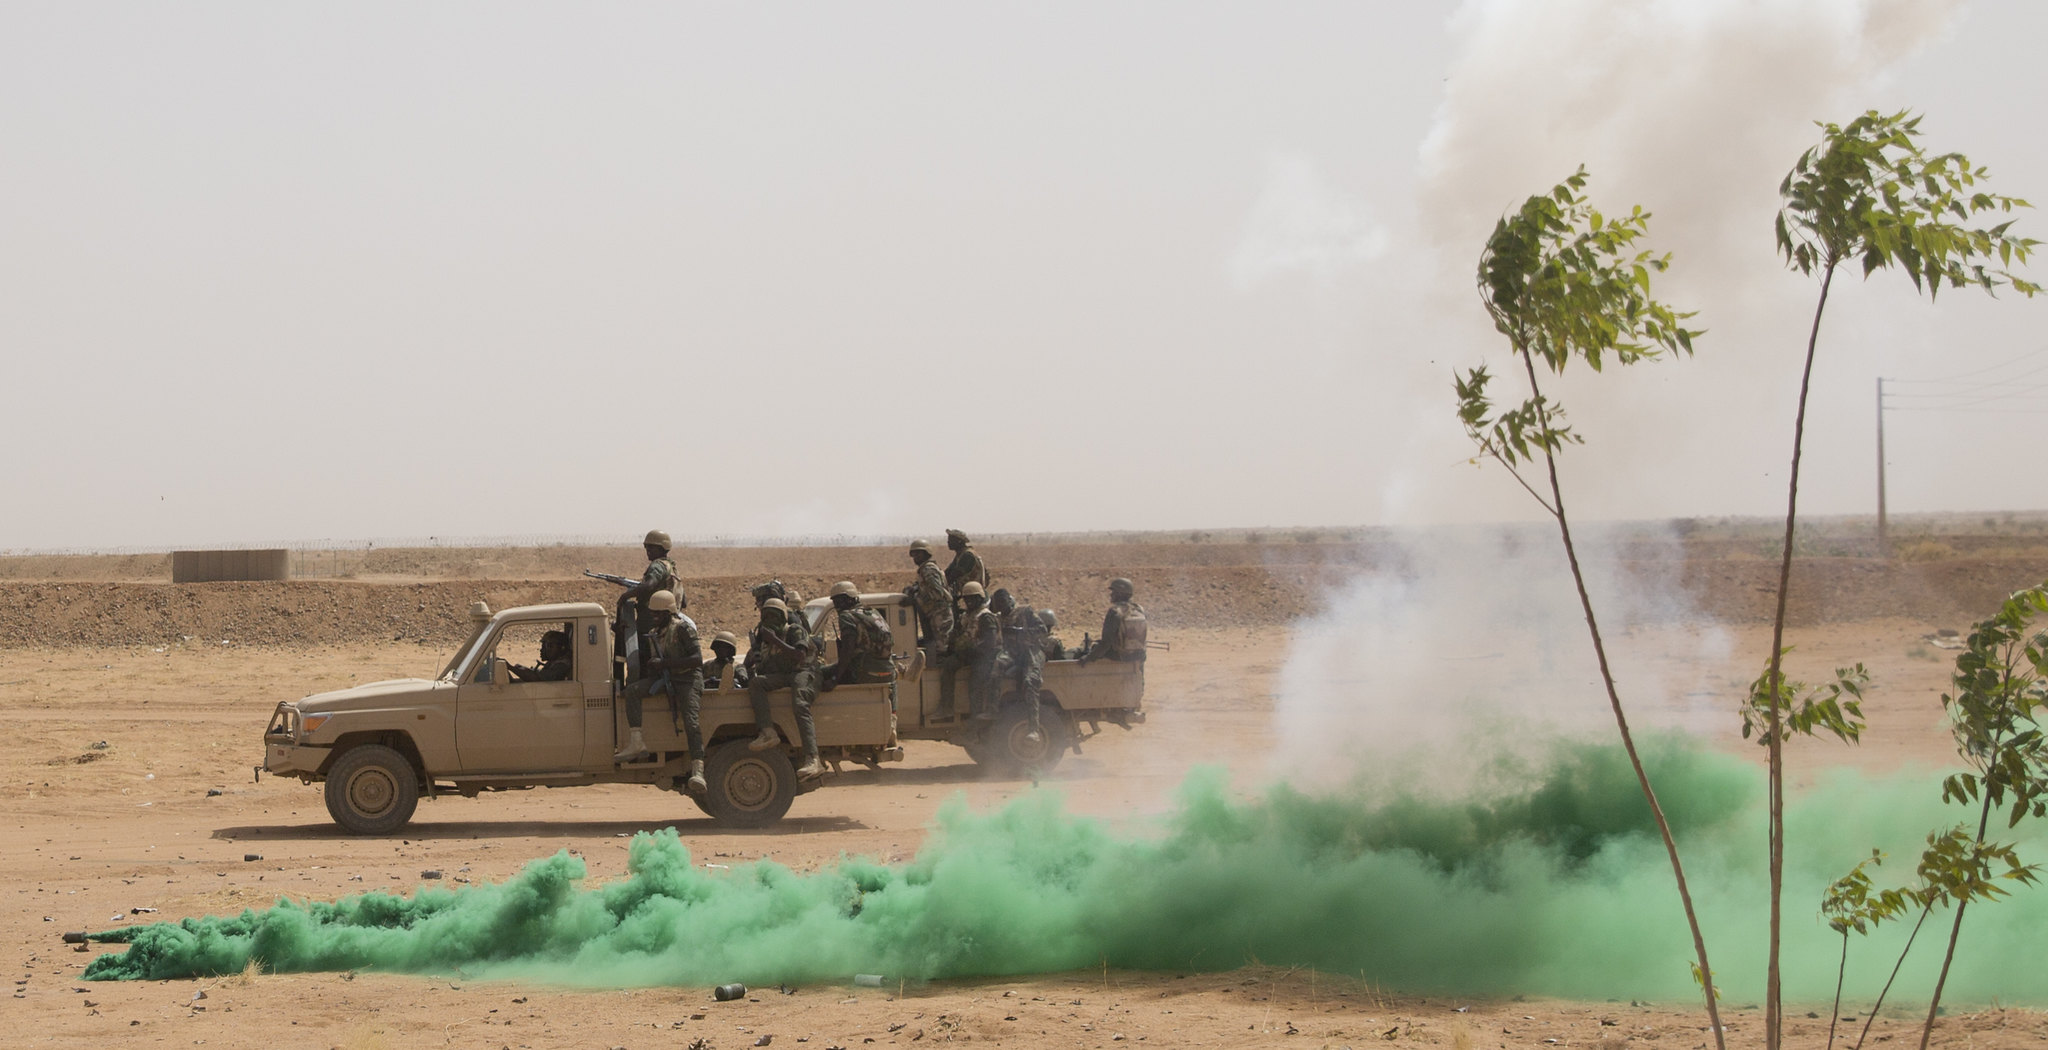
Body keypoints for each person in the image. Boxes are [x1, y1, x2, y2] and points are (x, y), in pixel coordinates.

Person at [615, 592, 706, 794]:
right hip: (666, 678)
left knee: (691, 722)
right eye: (652, 613)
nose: (654, 617)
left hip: (688, 679)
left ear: (668, 612)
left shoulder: (682, 628)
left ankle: (698, 770)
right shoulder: (656, 633)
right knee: (633, 692)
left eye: (658, 614)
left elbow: (696, 659)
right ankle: (637, 741)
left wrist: (664, 663)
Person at [744, 597, 824, 780]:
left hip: (805, 670)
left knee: (800, 702)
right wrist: (752, 662)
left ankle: (813, 758)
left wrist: (774, 640)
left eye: (775, 615)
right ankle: (768, 732)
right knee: (757, 684)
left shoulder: (794, 630)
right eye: (766, 616)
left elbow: (799, 656)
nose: (770, 620)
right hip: (786, 675)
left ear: (783, 617)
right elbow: (754, 666)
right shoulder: (764, 643)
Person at [935, 580, 1003, 721]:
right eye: (967, 599)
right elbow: (959, 635)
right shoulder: (967, 615)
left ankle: (976, 720)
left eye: (973, 598)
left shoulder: (986, 616)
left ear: (980, 598)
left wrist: (973, 650)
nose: (969, 602)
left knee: (975, 685)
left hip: (983, 657)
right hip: (969, 654)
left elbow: (990, 642)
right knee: (948, 666)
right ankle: (946, 707)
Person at [620, 530, 684, 669]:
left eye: (651, 547)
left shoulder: (657, 566)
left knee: (642, 655)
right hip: (669, 620)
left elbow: (649, 585)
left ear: (662, 548)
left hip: (650, 621)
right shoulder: (671, 567)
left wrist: (627, 595)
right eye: (646, 547)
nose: (647, 550)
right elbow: (683, 600)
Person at [990, 589, 1045, 742]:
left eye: (1004, 602)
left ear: (1009, 599)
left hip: (1031, 650)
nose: (1002, 606)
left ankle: (1034, 729)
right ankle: (993, 711)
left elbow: (1042, 630)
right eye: (999, 604)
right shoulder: (1000, 618)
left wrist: (1021, 632)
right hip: (1013, 652)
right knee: (996, 667)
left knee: (1030, 681)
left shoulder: (1025, 611)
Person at [826, 581, 896, 688]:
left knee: (821, 672)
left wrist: (835, 678)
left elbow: (847, 650)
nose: (836, 606)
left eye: (837, 601)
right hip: (888, 670)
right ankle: (901, 671)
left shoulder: (847, 616)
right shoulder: (872, 612)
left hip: (865, 672)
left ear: (847, 599)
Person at [1078, 577, 1148, 665]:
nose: (1111, 595)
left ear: (1119, 593)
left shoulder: (1115, 611)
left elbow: (1106, 643)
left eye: (1113, 592)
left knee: (1093, 649)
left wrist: (1088, 658)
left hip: (1119, 657)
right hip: (1138, 656)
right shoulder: (1140, 609)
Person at [901, 539, 954, 654]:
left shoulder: (928, 569)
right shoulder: (924, 570)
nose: (915, 558)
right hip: (934, 613)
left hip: (940, 614)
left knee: (942, 650)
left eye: (918, 554)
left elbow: (937, 592)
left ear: (926, 553)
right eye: (914, 555)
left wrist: (915, 598)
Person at [943, 529, 991, 599]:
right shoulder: (960, 555)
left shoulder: (968, 556)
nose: (948, 542)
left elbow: (953, 575)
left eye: (951, 540)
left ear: (959, 541)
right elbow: (948, 572)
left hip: (973, 594)